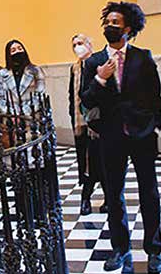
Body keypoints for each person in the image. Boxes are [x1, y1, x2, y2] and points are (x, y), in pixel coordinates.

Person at [81, 1, 161, 273]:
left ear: (127, 28)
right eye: (107, 22)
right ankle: (120, 248)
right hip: (111, 135)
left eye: (115, 23)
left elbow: (155, 96)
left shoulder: (143, 56)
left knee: (148, 193)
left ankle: (153, 250)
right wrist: (100, 79)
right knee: (113, 194)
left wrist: (155, 126)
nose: (109, 26)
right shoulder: (93, 62)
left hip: (142, 134)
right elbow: (86, 98)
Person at [69, 34, 107, 216]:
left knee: (103, 160)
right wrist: (73, 116)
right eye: (74, 45)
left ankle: (109, 198)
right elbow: (73, 95)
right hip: (80, 122)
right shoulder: (75, 68)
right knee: (85, 163)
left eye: (81, 43)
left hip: (99, 121)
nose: (78, 47)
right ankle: (86, 198)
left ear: (89, 44)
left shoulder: (99, 62)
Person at [0, 39, 45, 116]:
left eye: (20, 48)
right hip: (12, 119)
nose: (17, 52)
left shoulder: (35, 70)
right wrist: (11, 113)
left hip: (32, 116)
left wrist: (26, 112)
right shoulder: (3, 73)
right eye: (13, 50)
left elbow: (40, 94)